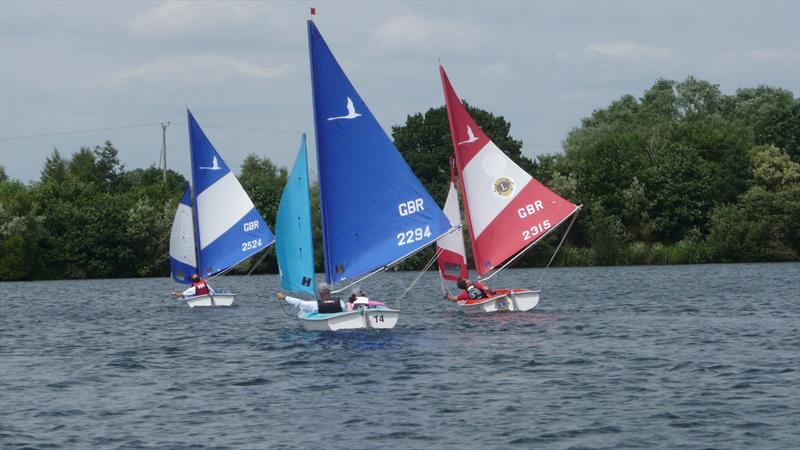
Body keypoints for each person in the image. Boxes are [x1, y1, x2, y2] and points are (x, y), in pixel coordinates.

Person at [276, 282, 346, 317]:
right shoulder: (340, 302)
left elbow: (299, 302)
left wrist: (284, 297)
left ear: (320, 293)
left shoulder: (314, 305)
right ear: (330, 291)